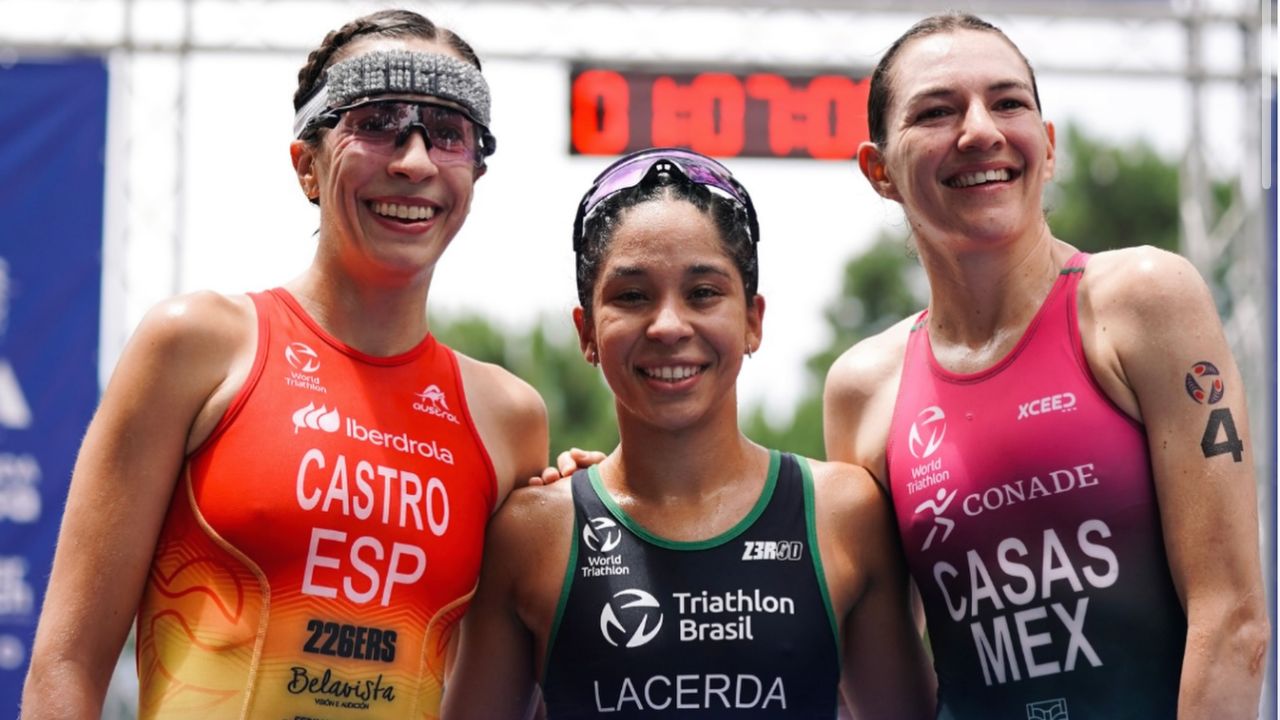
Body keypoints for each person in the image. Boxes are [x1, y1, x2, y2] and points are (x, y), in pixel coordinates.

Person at [21, 9, 548, 719]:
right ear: (307, 165)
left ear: (474, 175)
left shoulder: (509, 419)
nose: (415, 162)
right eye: (378, 123)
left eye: (447, 134)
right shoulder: (198, 347)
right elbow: (67, 665)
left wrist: (587, 506)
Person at [822, 12, 1269, 719]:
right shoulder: (863, 389)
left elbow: (1233, 620)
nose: (980, 131)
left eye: (1008, 103)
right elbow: (884, 684)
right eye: (936, 111)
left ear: (1049, 147)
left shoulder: (1144, 300)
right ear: (880, 171)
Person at [442, 148, 935, 719]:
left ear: (752, 320)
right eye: (632, 296)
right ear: (586, 332)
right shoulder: (531, 534)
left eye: (703, 292)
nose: (669, 325)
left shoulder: (844, 515)